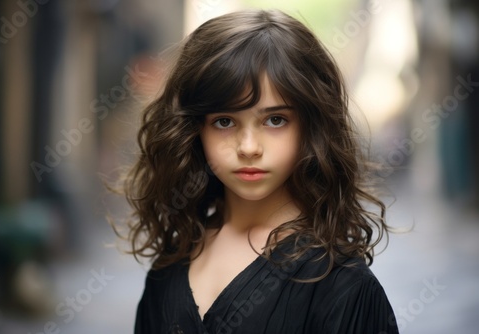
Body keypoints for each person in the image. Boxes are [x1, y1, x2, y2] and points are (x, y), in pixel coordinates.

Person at [122, 9, 399, 334]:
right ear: (194, 130)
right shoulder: (169, 265)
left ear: (311, 128)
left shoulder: (341, 284)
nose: (249, 147)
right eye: (224, 121)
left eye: (275, 120)